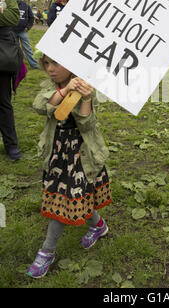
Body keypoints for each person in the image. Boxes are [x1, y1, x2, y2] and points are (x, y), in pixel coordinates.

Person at [27, 55, 111, 278]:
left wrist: (85, 98)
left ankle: (47, 251)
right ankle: (99, 225)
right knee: (74, 196)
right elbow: (39, 106)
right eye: (47, 64)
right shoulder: (52, 86)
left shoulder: (87, 85)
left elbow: (87, 123)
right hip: (57, 152)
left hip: (80, 155)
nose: (50, 69)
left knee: (61, 200)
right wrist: (64, 91)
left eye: (56, 63)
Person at [0, 0, 22, 161]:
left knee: (3, 102)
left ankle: (11, 144)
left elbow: (13, 17)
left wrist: (5, 13)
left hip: (2, 54)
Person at [10, 0, 40, 69]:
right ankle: (17, 65)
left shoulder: (25, 5)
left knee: (28, 49)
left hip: (23, 31)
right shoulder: (8, 4)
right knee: (14, 49)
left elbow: (31, 17)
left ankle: (34, 65)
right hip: (12, 31)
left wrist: (28, 27)